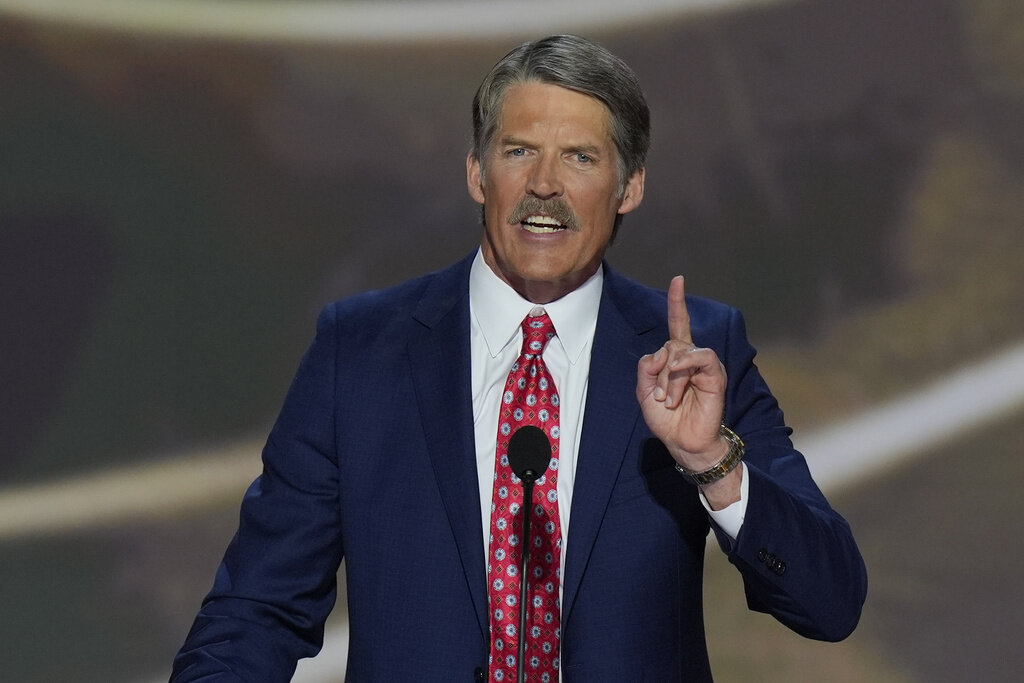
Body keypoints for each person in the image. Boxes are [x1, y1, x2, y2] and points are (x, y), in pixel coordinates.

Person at [171, 34, 866, 682]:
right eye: (518, 151)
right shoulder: (360, 351)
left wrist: (712, 460)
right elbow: (254, 609)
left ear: (630, 187)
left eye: (580, 157)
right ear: (477, 172)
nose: (544, 184)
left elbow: (829, 603)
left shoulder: (697, 354)